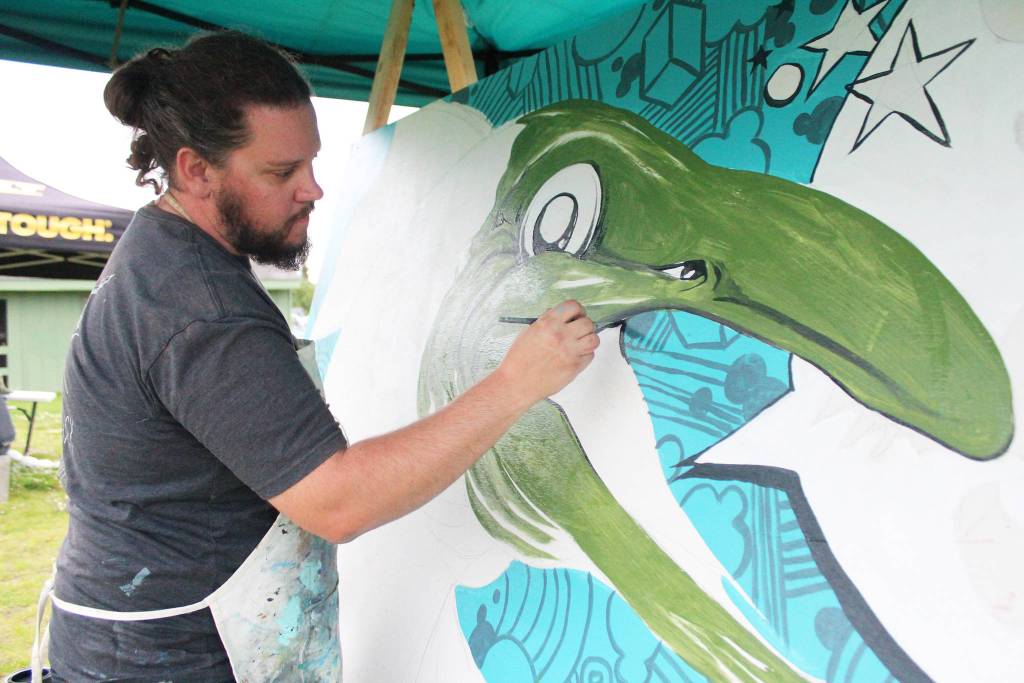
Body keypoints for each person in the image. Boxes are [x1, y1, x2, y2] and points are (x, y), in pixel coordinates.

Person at [47, 31, 598, 682]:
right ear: (196, 170)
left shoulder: (164, 252)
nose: (313, 190)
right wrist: (513, 383)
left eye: (311, 161)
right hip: (169, 660)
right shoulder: (199, 310)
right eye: (281, 173)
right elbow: (338, 502)